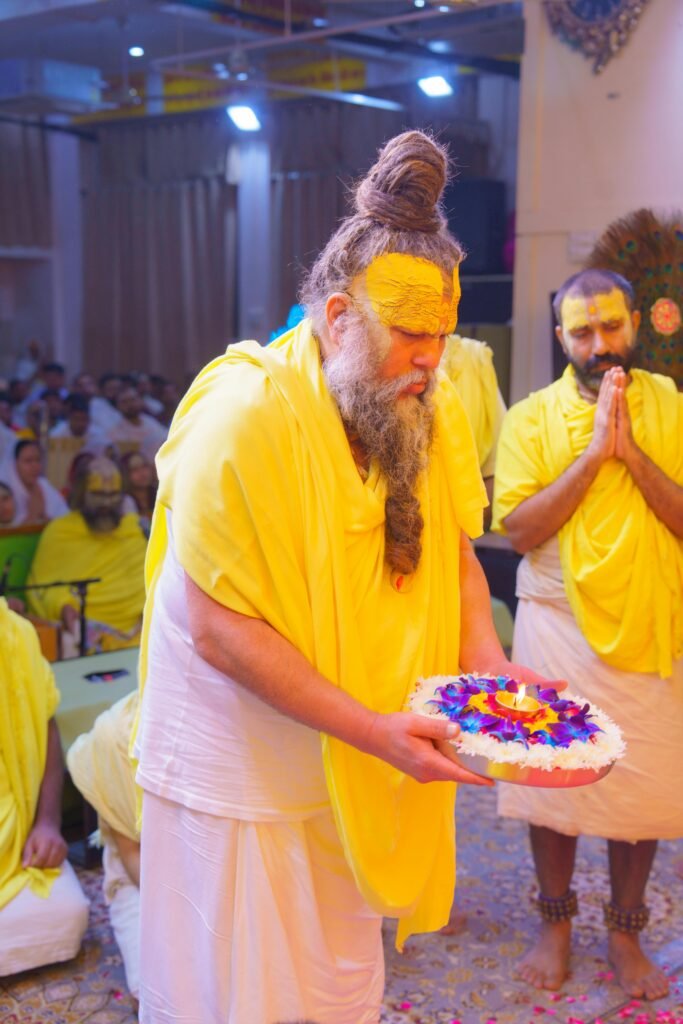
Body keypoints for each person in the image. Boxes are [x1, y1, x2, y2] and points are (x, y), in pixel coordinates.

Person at [132, 130, 550, 1024]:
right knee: (239, 987)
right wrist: (370, 729)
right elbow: (218, 630)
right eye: (411, 334)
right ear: (336, 316)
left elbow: (451, 553)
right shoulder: (244, 415)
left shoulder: (419, 404)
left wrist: (490, 673)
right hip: (239, 753)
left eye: (443, 335)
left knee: (336, 981)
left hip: (351, 741)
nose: (432, 357)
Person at [491, 268, 683, 1002]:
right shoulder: (529, 418)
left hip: (649, 623)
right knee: (554, 785)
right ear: (560, 337)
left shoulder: (670, 408)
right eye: (581, 331)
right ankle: (556, 924)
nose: (599, 344)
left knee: (640, 789)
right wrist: (596, 451)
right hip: (556, 625)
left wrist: (632, 454)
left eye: (610, 326)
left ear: (632, 322)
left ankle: (625, 931)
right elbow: (519, 530)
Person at [0, 599, 89, 975]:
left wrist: (48, 822)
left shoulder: (15, 632)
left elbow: (46, 720)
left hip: (14, 836)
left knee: (70, 912)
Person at [27, 456, 146, 652]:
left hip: (139, 627)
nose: (106, 502)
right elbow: (42, 588)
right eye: (98, 494)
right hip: (85, 626)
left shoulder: (134, 528)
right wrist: (63, 606)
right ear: (81, 494)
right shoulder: (60, 531)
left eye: (113, 494)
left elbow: (151, 581)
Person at [67, 692, 140, 999]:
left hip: (217, 874)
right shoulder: (117, 732)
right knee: (160, 992)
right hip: (141, 878)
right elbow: (134, 855)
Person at [1, 439, 68, 525]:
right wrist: (33, 515)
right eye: (28, 461)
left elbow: (65, 518)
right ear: (14, 464)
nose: (35, 466)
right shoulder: (3, 492)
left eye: (38, 460)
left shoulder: (43, 486)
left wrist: (45, 518)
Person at [109, 386, 167, 462]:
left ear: (140, 401)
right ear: (117, 406)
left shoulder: (150, 421)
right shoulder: (115, 433)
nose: (130, 405)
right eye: (124, 402)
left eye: (133, 400)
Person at [119, 451, 157, 536]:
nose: (142, 473)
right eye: (134, 470)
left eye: (144, 466)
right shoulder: (125, 501)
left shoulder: (159, 493)